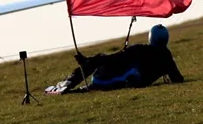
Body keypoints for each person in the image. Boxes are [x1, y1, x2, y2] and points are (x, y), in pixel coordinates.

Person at [45, 25, 184, 95]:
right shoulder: (167, 59)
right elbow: (177, 79)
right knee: (97, 72)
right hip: (123, 82)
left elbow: (115, 59)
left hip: (112, 81)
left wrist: (88, 61)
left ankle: (66, 84)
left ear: (151, 37)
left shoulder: (140, 49)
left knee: (100, 59)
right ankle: (71, 88)